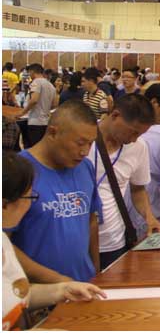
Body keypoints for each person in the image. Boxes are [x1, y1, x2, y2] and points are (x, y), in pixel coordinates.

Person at [2, 153, 106, 330]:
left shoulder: (4, 242)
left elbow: (17, 293)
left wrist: (62, 290)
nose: (30, 205)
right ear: (5, 205)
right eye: (30, 197)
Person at [10, 101, 102, 282]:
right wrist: (58, 281)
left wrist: (97, 273)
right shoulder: (19, 172)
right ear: (52, 132)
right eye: (80, 143)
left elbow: (91, 220)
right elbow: (4, 244)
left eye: (90, 143)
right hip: (38, 291)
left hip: (83, 285)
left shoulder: (85, 167)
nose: (85, 151)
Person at [88, 94, 160, 270]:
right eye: (133, 132)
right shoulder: (83, 140)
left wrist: (149, 217)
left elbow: (138, 189)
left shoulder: (138, 147)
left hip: (114, 241)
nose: (134, 139)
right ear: (115, 115)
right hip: (79, 241)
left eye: (140, 134)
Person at [22, 63, 56, 148]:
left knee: (34, 148)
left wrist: (22, 113)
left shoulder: (36, 82)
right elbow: (54, 104)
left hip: (35, 121)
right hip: (46, 122)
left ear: (32, 72)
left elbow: (34, 100)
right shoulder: (51, 85)